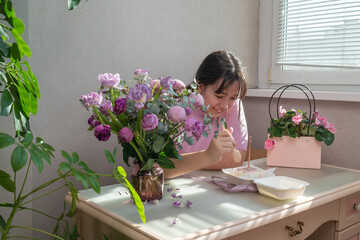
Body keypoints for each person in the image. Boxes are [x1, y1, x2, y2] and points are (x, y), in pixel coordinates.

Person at [164, 50, 248, 179]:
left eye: (233, 97)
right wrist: (209, 155)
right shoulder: (176, 110)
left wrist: (185, 162)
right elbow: (162, 168)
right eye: (219, 96)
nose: (225, 105)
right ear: (200, 87)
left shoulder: (233, 105)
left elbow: (236, 160)